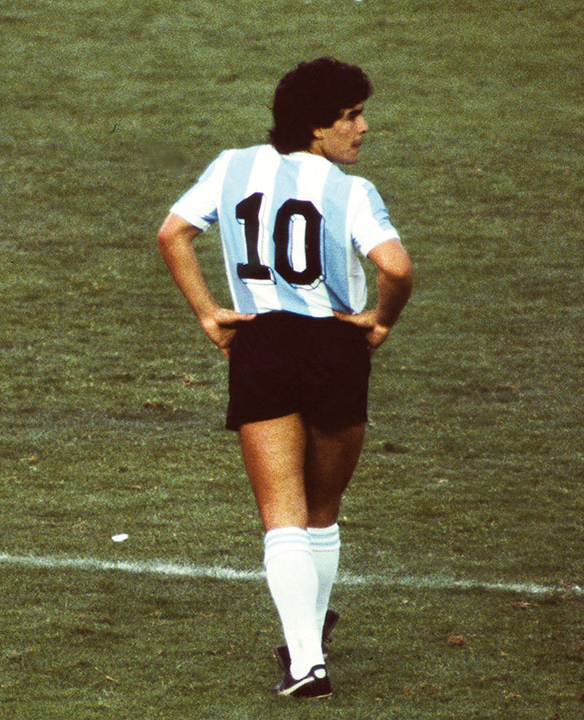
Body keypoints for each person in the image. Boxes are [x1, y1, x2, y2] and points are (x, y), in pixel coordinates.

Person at [156, 57, 413, 699]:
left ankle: (305, 661)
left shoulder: (231, 166)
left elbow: (173, 233)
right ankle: (308, 648)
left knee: (282, 516)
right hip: (336, 349)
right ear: (315, 126)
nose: (363, 128)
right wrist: (379, 324)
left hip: (263, 345)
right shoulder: (351, 192)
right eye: (350, 116)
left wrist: (209, 314)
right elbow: (397, 269)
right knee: (321, 512)